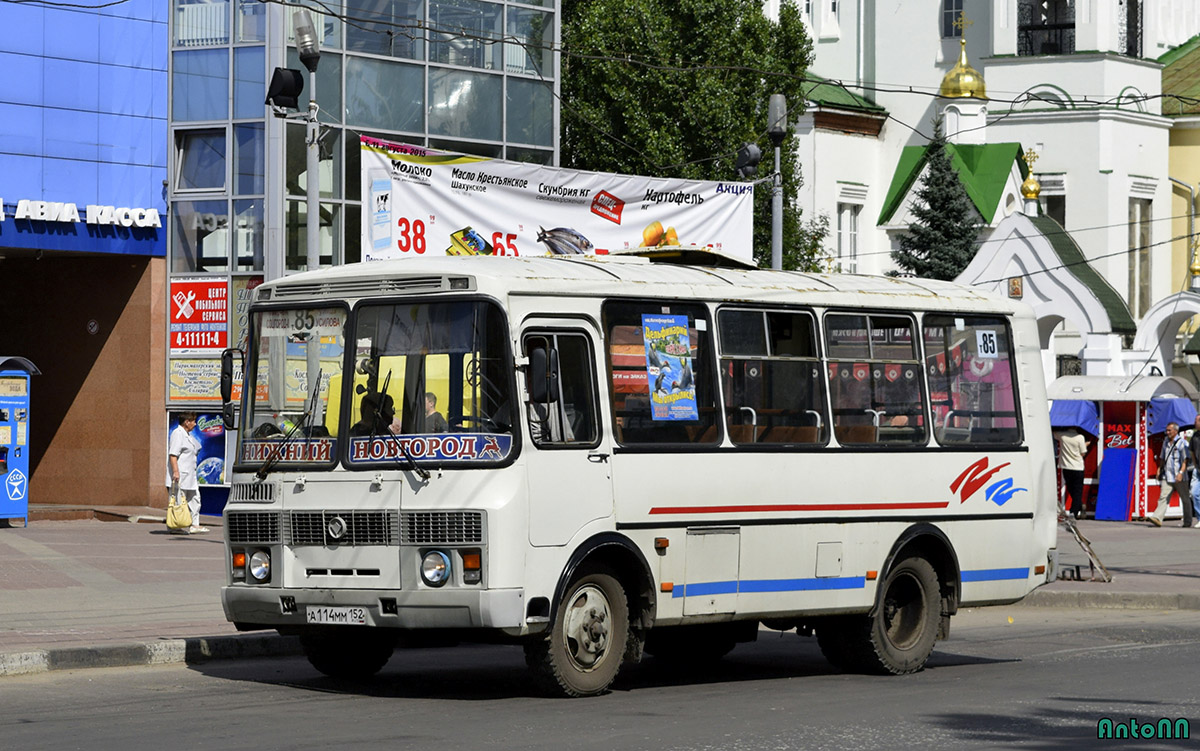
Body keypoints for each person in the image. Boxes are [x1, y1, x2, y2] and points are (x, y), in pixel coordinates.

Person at [167, 411, 207, 534]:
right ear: (186, 422)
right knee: (179, 500)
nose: (195, 424)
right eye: (193, 421)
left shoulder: (187, 435)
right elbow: (173, 455)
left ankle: (194, 524)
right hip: (181, 475)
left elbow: (197, 447)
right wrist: (176, 472)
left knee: (195, 498)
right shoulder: (177, 434)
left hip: (190, 475)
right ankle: (174, 526)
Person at [1150, 421, 1194, 528]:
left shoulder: (1182, 443)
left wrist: (1181, 473)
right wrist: (1159, 469)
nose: (1167, 432)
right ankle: (1157, 517)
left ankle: (1188, 521)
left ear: (1175, 431)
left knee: (1185, 498)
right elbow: (1163, 457)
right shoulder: (1165, 442)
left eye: (1169, 430)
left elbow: (1185, 459)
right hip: (1168, 475)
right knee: (1163, 496)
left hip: (1180, 477)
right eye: (1167, 430)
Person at [1057, 427, 1090, 519]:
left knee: (1071, 489)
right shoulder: (1080, 437)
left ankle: (1079, 506)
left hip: (1066, 467)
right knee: (1078, 491)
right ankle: (1074, 512)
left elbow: (1053, 433)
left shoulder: (1062, 436)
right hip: (1078, 467)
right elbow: (1083, 453)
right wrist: (1086, 444)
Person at [1190, 415, 1200, 528]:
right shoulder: (1195, 435)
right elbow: (1192, 451)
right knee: (1194, 493)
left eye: (1196, 421)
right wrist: (1195, 465)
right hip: (1198, 470)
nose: (1194, 423)